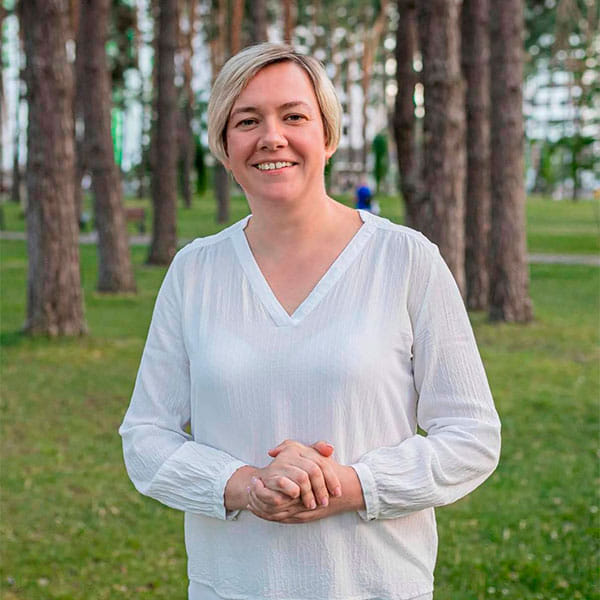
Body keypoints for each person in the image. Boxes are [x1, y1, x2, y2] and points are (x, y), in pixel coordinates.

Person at [119, 42, 501, 600]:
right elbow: (146, 438)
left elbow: (471, 435)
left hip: (377, 586)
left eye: (293, 116)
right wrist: (244, 486)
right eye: (247, 121)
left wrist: (349, 486)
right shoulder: (194, 270)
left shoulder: (405, 258)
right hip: (232, 588)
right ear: (225, 146)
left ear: (327, 135)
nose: (271, 137)